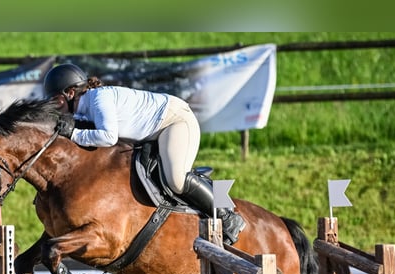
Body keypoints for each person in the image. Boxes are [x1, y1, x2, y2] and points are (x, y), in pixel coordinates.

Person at [43, 63, 245, 244]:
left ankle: (227, 216)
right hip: (154, 132)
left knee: (176, 180)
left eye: (55, 100)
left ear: (70, 93)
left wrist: (75, 134)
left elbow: (108, 137)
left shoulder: (98, 99)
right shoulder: (82, 107)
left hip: (175, 121)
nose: (54, 106)